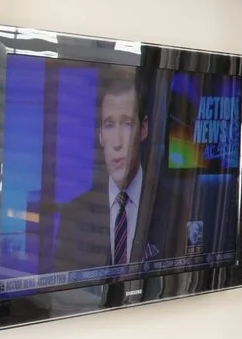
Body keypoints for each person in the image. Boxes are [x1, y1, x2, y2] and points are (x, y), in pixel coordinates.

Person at [48, 65, 159, 275]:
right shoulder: (73, 215)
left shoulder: (171, 208)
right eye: (109, 125)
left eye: (127, 124)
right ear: (100, 135)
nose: (117, 143)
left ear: (143, 129)